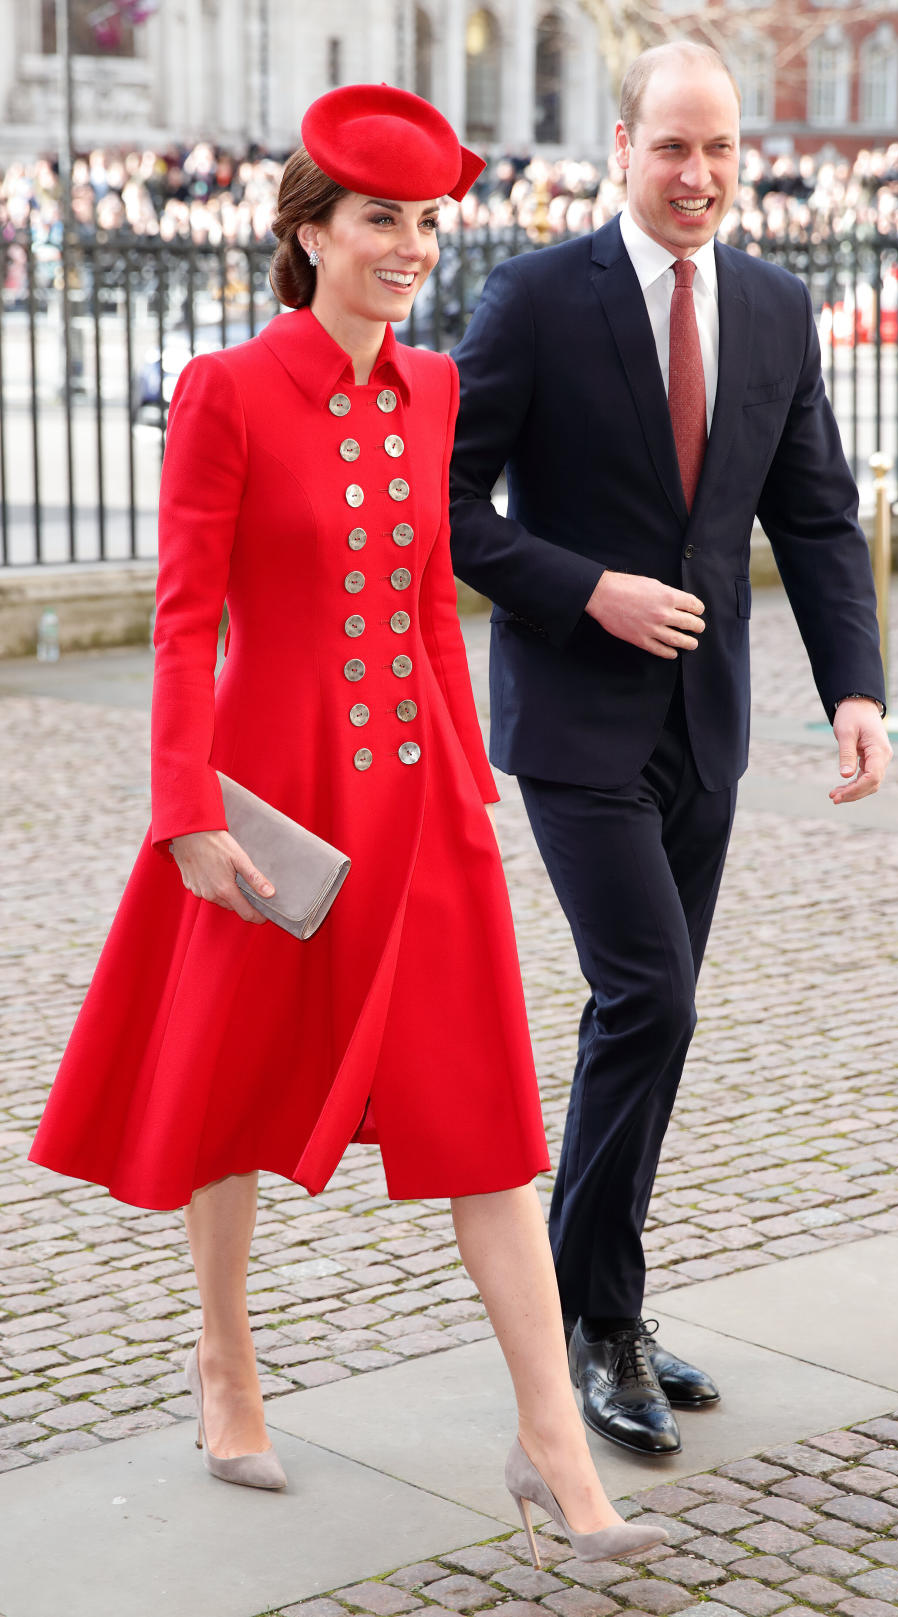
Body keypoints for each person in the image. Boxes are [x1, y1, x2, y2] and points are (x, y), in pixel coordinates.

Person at [28, 84, 667, 1562]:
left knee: (491, 1123)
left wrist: (465, 779)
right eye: (381, 217)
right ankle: (226, 1362)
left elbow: (436, 603)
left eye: (428, 220)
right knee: (229, 1096)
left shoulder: (436, 391)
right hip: (267, 803)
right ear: (308, 232)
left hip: (419, 809)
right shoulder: (227, 393)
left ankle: (554, 1448)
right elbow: (185, 628)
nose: (413, 245)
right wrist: (184, 812)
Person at [449, 43, 892, 1458]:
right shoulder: (532, 298)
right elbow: (447, 505)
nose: (698, 178)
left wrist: (857, 691)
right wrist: (586, 586)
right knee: (650, 998)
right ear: (621, 144)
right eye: (671, 149)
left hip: (709, 729)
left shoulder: (775, 306)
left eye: (721, 151)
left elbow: (815, 515)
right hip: (573, 720)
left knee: (652, 1012)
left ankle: (608, 1298)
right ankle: (589, 1322)